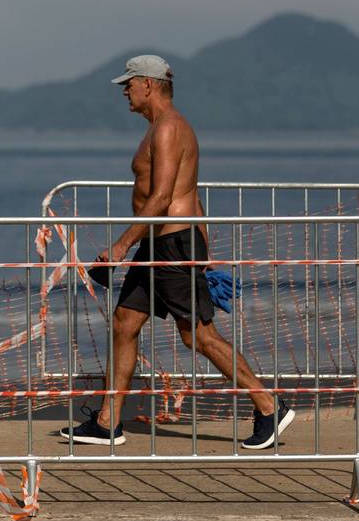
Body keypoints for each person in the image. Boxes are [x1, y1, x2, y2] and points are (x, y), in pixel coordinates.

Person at [60, 54, 294, 449]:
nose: (125, 92)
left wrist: (121, 245)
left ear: (148, 84)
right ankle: (107, 422)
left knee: (199, 337)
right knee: (124, 323)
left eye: (128, 84)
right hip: (160, 243)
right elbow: (187, 194)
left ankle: (269, 406)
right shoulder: (160, 128)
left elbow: (163, 196)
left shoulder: (169, 128)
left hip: (170, 245)